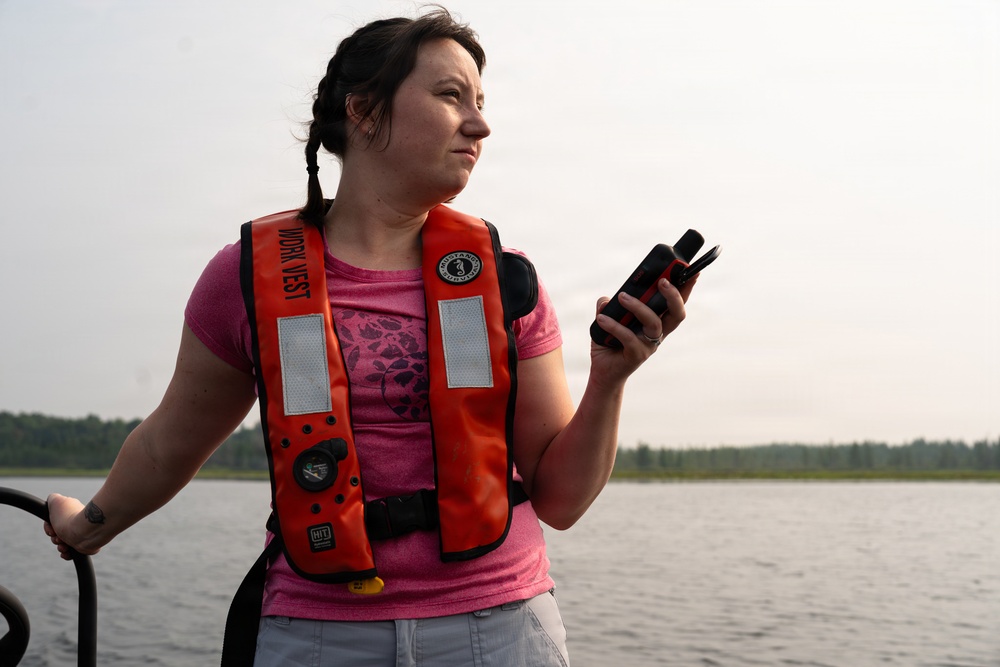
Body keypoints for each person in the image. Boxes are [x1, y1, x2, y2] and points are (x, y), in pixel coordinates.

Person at [43, 7, 696, 666]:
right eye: (450, 96)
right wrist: (87, 526)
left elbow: (560, 499)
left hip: (502, 628)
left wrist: (611, 379)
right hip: (317, 632)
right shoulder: (246, 276)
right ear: (362, 110)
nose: (480, 123)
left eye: (481, 102)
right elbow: (167, 445)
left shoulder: (503, 280)